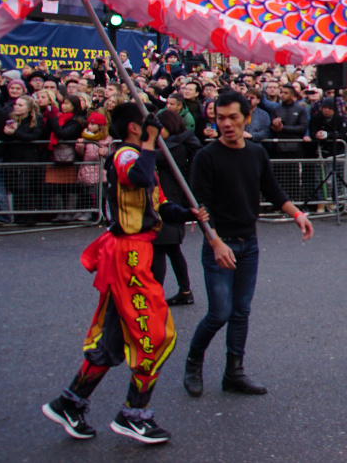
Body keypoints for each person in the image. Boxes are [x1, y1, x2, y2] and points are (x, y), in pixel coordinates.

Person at [42, 103, 207, 444]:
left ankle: (70, 403)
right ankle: (134, 414)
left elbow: (157, 205)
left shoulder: (142, 156)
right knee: (158, 334)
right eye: (153, 128)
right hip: (128, 253)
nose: (159, 135)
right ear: (137, 128)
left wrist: (189, 214)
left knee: (115, 338)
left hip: (138, 252)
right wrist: (148, 141)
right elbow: (140, 177)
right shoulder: (127, 156)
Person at [182, 92, 314, 398]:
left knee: (241, 312)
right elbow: (199, 208)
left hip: (249, 243)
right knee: (219, 313)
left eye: (233, 117)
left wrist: (297, 214)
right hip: (220, 244)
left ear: (247, 118)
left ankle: (234, 373)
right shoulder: (206, 157)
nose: (226, 124)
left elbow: (271, 188)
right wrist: (214, 242)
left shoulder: (256, 153)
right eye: (220, 118)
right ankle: (193, 362)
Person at [153, 110, 203, 307]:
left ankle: (156, 292)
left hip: (170, 199)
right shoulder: (179, 143)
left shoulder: (175, 147)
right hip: (172, 198)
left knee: (160, 247)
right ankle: (185, 290)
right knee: (172, 249)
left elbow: (155, 158)